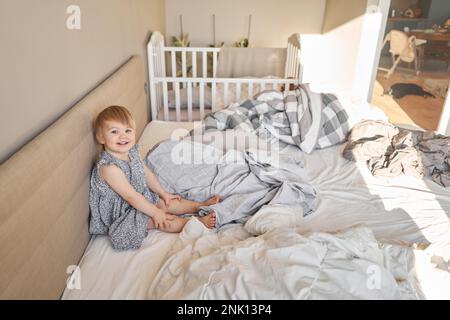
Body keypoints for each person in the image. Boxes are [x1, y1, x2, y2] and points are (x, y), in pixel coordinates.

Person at [89, 105, 220, 250]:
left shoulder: (131, 152)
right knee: (159, 219)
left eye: (128, 130)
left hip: (139, 199)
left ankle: (199, 205)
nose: (123, 136)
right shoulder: (109, 167)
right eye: (114, 131)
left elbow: (147, 175)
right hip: (121, 214)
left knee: (166, 202)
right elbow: (131, 197)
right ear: (101, 137)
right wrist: (156, 213)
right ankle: (196, 223)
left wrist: (163, 193)